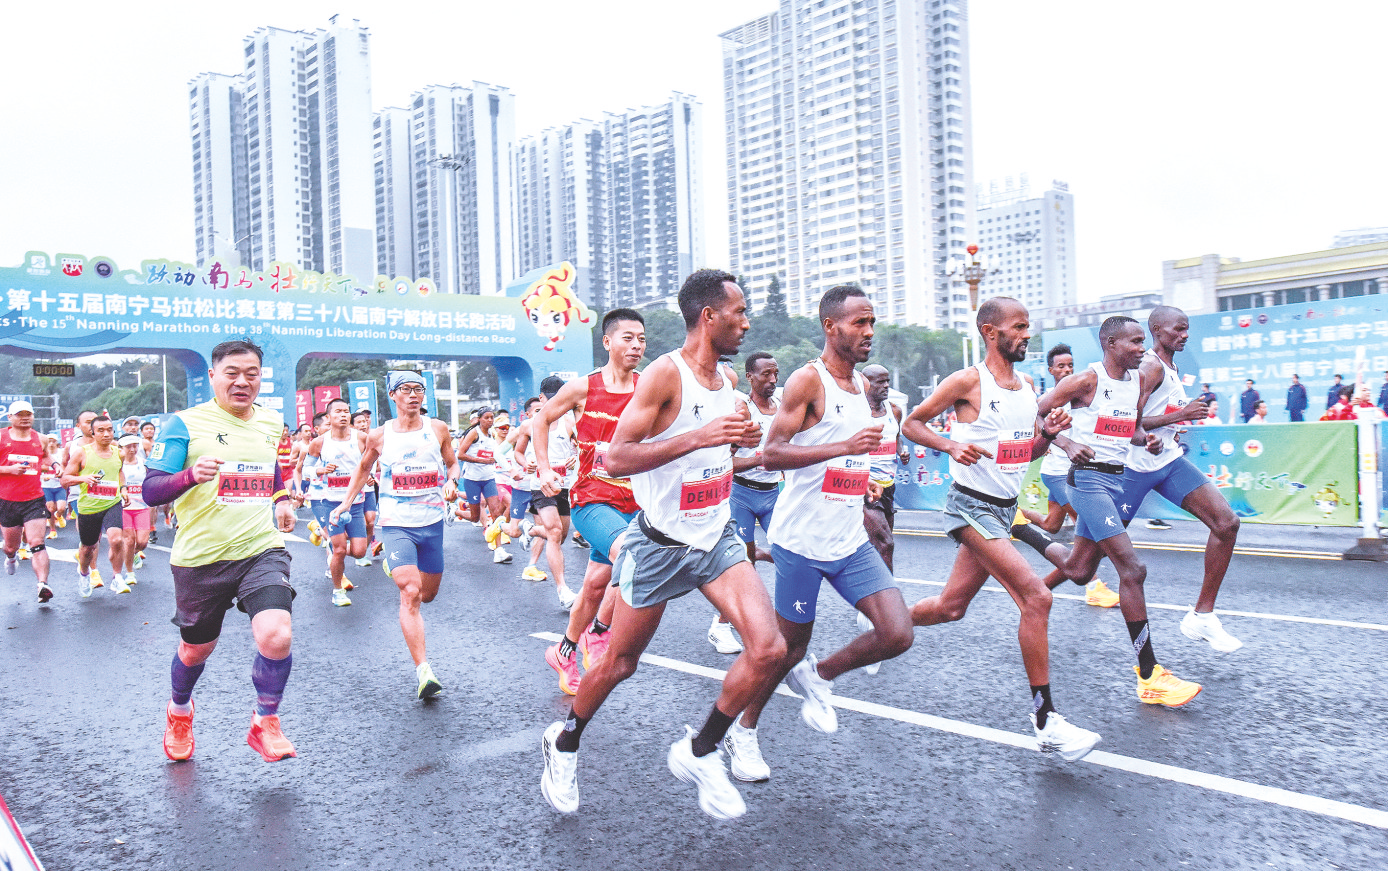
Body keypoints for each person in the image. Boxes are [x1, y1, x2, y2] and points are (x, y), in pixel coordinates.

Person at [540, 270, 784, 820]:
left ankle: (700, 751)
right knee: (620, 663)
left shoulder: (727, 383)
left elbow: (716, 455)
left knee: (769, 650)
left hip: (715, 537)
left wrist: (741, 446)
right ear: (708, 317)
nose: (746, 322)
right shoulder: (664, 376)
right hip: (660, 544)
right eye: (738, 313)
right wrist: (700, 436)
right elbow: (617, 457)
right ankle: (566, 739)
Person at [724, 286, 914, 783]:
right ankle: (743, 731)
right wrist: (843, 448)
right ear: (831, 327)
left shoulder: (864, 389)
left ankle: (820, 674)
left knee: (897, 633)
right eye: (859, 323)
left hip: (847, 538)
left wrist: (860, 476)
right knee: (782, 650)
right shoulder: (809, 380)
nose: (869, 332)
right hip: (801, 543)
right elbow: (772, 454)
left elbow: (847, 457)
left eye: (872, 322)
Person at [899, 297, 1101, 762]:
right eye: (1019, 327)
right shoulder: (969, 381)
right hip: (969, 508)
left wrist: (1049, 436)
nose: (1027, 335)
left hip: (1005, 508)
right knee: (1038, 597)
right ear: (991, 333)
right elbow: (912, 423)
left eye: (1029, 326)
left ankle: (887, 622)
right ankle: (1046, 720)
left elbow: (1023, 455)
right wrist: (950, 445)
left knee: (951, 608)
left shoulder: (1028, 386)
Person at [143, 338, 300, 762]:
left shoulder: (270, 422)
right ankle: (179, 710)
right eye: (232, 373)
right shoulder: (183, 424)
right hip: (201, 557)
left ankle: (265, 721)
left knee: (277, 634)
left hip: (259, 548)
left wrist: (281, 496)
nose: (242, 382)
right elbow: (151, 489)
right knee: (197, 648)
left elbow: (269, 464)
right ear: (212, 377)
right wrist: (191, 475)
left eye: (251, 374)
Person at [1038, 316, 1203, 707]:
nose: (1142, 349)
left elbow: (1127, 426)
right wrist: (1064, 442)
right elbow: (1036, 412)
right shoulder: (1086, 381)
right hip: (1088, 482)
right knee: (1133, 569)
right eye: (1134, 342)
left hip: (1115, 480)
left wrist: (1146, 441)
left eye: (1143, 342)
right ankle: (1149, 676)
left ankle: (1020, 528)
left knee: (1080, 570)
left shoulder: (1138, 381)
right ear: (1110, 344)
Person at [1118, 307, 1243, 652]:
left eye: (1187, 330)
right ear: (1157, 330)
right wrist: (1182, 414)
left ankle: (1202, 616)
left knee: (1226, 523)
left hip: (1167, 461)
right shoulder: (1150, 365)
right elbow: (1129, 425)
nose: (1185, 335)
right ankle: (1037, 588)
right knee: (1084, 564)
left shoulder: (1171, 366)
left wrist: (1176, 419)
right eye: (1179, 329)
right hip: (1132, 469)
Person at [537, 311, 647, 694]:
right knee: (631, 558)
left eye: (642, 340)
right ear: (607, 342)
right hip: (592, 499)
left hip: (636, 500)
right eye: (628, 338)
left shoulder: (647, 387)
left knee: (598, 584)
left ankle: (565, 649)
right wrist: (544, 468)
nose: (636, 346)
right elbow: (541, 420)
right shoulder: (584, 388)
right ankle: (600, 631)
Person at [332, 371, 460, 700]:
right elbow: (363, 469)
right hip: (396, 522)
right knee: (411, 591)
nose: (414, 395)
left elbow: (452, 463)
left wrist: (452, 481)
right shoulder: (379, 436)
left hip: (430, 523)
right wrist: (346, 502)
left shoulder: (438, 429)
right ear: (393, 395)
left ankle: (396, 567)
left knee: (428, 595)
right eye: (406, 389)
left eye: (419, 389)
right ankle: (424, 671)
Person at [720, 351, 780, 655]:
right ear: (749, 378)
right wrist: (759, 459)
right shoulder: (741, 409)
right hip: (741, 494)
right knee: (743, 563)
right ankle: (720, 626)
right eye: (765, 375)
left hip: (772, 493)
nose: (771, 380)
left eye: (775, 374)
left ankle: (783, 621)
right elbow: (725, 463)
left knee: (788, 552)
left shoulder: (782, 407)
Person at [305, 398, 370, 606]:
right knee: (340, 549)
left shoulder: (361, 438)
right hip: (330, 503)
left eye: (346, 411)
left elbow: (373, 462)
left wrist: (371, 475)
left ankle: (329, 542)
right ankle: (337, 591)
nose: (343, 415)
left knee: (359, 551)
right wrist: (319, 470)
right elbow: (305, 469)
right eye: (338, 411)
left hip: (356, 504)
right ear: (329, 417)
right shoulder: (320, 442)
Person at [63, 414, 130, 596]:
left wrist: (123, 489)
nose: (106, 434)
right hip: (89, 507)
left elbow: (119, 472)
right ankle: (84, 574)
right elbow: (65, 480)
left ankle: (117, 578)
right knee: (88, 548)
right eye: (100, 430)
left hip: (112, 502)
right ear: (92, 433)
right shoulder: (82, 452)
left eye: (109, 430)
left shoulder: (118, 452)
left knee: (116, 539)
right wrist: (83, 478)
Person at [1, 401, 54, 603]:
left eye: (28, 414)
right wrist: (9, 470)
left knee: (36, 542)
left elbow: (46, 458)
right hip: (7, 500)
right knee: (10, 546)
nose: (25, 417)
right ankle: (11, 557)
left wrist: (55, 464)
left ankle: (43, 584)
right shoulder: (1, 437)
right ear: (10, 418)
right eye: (19, 414)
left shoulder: (40, 439)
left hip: (34, 498)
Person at [861, 363, 907, 572]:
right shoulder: (858, 413)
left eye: (887, 381)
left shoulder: (894, 411)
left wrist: (901, 451)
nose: (886, 386)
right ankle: (888, 597)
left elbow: (896, 437)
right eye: (880, 381)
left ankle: (872, 591)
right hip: (865, 486)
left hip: (888, 485)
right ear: (867, 384)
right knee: (885, 543)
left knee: (879, 544)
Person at [457, 408, 512, 564]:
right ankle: (454, 511)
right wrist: (481, 461)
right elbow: (460, 454)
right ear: (479, 419)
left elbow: (495, 455)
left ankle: (499, 550)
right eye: (486, 417)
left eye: (491, 417)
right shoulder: (474, 433)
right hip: (472, 479)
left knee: (496, 512)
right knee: (475, 517)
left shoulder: (492, 434)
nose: (489, 420)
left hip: (488, 478)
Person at [118, 434, 151, 584]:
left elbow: (151, 482)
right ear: (121, 448)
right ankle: (130, 573)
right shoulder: (118, 466)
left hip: (142, 507)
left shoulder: (144, 463)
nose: (132, 449)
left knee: (143, 542)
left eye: (135, 446)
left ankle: (134, 553)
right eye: (128, 446)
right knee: (129, 540)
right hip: (124, 508)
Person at [40, 434, 68, 539]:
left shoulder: (61, 453)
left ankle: (59, 516)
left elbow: (65, 466)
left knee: (61, 508)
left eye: (53, 441)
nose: (51, 443)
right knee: (50, 508)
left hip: (59, 485)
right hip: (46, 486)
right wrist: (43, 476)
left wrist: (62, 473)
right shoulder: (41, 455)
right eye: (49, 441)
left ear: (57, 443)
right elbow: (37, 468)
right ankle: (52, 530)